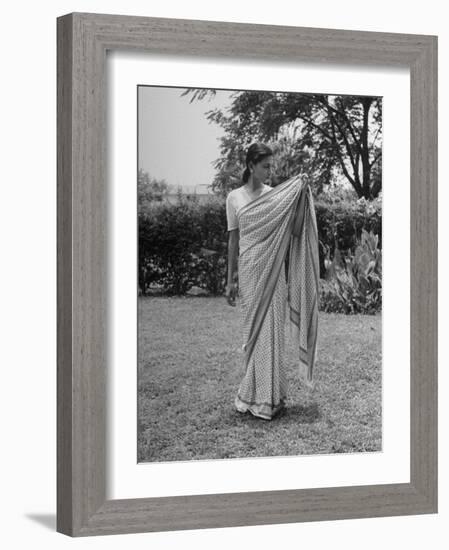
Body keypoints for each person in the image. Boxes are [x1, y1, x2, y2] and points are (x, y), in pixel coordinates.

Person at [225, 142, 319, 420]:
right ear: (251, 165)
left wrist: (302, 192)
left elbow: (296, 227)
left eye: (271, 166)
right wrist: (230, 279)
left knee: (273, 330)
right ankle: (252, 395)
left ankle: (271, 397)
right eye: (265, 166)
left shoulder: (276, 196)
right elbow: (233, 239)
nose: (269, 171)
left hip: (273, 271)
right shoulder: (234, 198)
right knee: (254, 332)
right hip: (250, 269)